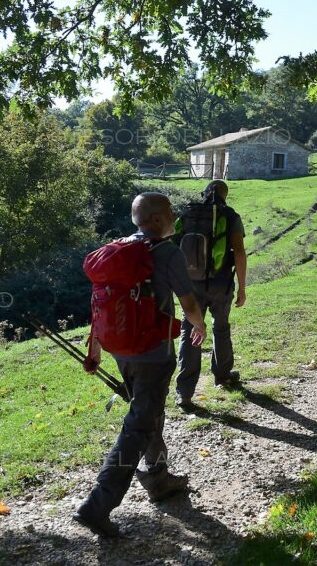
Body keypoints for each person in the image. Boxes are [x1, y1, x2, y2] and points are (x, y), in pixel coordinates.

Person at [73, 193, 208, 538]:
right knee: (138, 426)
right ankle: (97, 505)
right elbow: (188, 299)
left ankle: (158, 479)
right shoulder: (166, 253)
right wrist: (199, 324)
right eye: (171, 213)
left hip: (122, 350)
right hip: (152, 352)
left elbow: (100, 305)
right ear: (159, 219)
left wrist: (97, 349)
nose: (176, 216)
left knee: (147, 413)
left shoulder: (118, 251)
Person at [174, 180, 248, 411]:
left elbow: (172, 245)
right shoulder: (230, 215)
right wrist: (242, 287)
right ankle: (223, 376)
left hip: (191, 284)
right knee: (221, 327)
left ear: (204, 193)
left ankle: (184, 393)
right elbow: (240, 253)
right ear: (225, 195)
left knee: (190, 329)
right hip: (221, 283)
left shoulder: (188, 213)